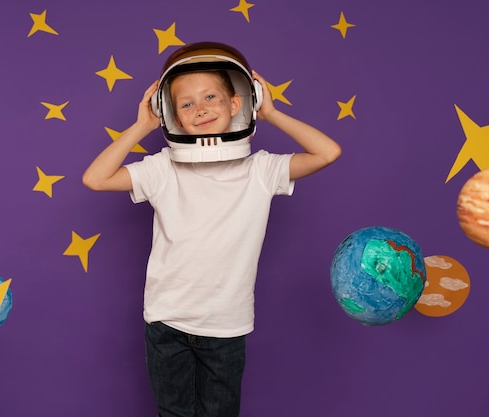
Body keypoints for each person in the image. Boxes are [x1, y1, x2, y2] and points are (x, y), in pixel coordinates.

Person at [82, 42, 341, 417]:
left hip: (225, 326)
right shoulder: (162, 168)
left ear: (238, 103)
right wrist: (142, 125)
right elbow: (95, 179)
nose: (200, 108)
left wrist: (271, 113)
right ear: (170, 114)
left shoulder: (261, 171)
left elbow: (327, 152)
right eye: (185, 104)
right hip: (166, 321)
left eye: (210, 97)